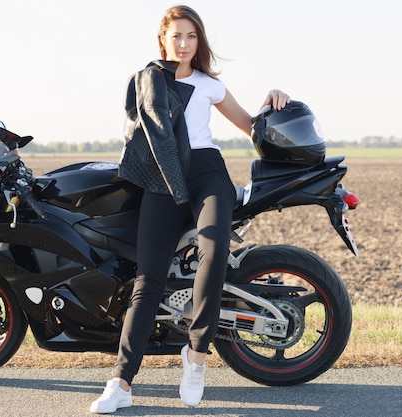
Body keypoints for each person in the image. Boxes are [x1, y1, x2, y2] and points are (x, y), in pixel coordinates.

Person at [90, 5, 290, 414]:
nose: (183, 43)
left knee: (214, 250)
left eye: (191, 36)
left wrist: (274, 100)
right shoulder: (149, 81)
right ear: (163, 40)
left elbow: (251, 125)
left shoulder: (209, 85)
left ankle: (196, 356)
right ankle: (121, 383)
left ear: (199, 41)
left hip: (206, 172)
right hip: (163, 179)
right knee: (146, 281)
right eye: (176, 35)